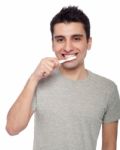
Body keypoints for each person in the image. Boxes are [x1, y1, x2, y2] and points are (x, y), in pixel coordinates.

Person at [6, 6, 120, 150]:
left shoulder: (108, 89)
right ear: (53, 44)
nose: (67, 48)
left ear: (89, 42)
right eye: (60, 39)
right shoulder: (39, 81)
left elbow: (110, 145)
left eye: (76, 38)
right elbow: (12, 128)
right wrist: (34, 79)